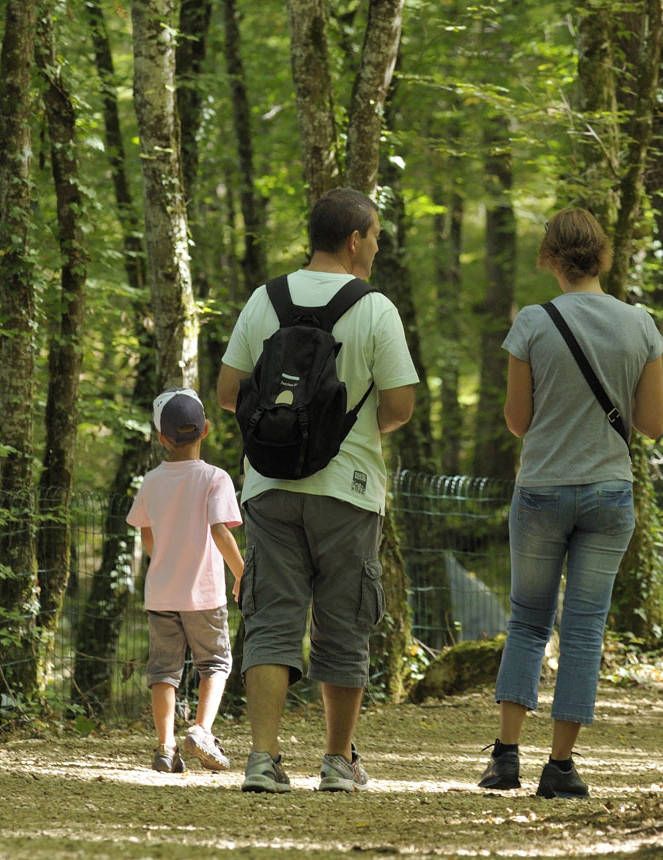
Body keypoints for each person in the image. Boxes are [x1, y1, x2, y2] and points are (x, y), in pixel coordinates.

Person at [217, 187, 418, 793]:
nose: (377, 246)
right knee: (344, 622)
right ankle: (336, 762)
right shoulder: (375, 308)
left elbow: (227, 394)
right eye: (375, 236)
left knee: (272, 620)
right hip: (348, 490)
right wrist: (347, 430)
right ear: (354, 240)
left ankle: (262, 759)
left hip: (269, 485)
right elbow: (400, 406)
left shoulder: (264, 299)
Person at [477, 207, 663, 798]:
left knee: (528, 621)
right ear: (603, 255)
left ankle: (505, 758)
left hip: (541, 489)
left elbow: (517, 422)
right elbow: (653, 424)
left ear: (550, 258)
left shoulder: (533, 322)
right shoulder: (641, 325)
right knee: (584, 629)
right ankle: (560, 768)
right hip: (609, 492)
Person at [126, 387, 245, 774]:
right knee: (215, 664)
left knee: (164, 671)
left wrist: (163, 559)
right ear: (206, 429)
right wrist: (242, 572)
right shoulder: (215, 478)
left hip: (161, 592)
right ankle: (201, 731)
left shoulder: (151, 481)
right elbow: (220, 531)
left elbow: (145, 532)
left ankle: (165, 747)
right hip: (205, 594)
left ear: (162, 438)